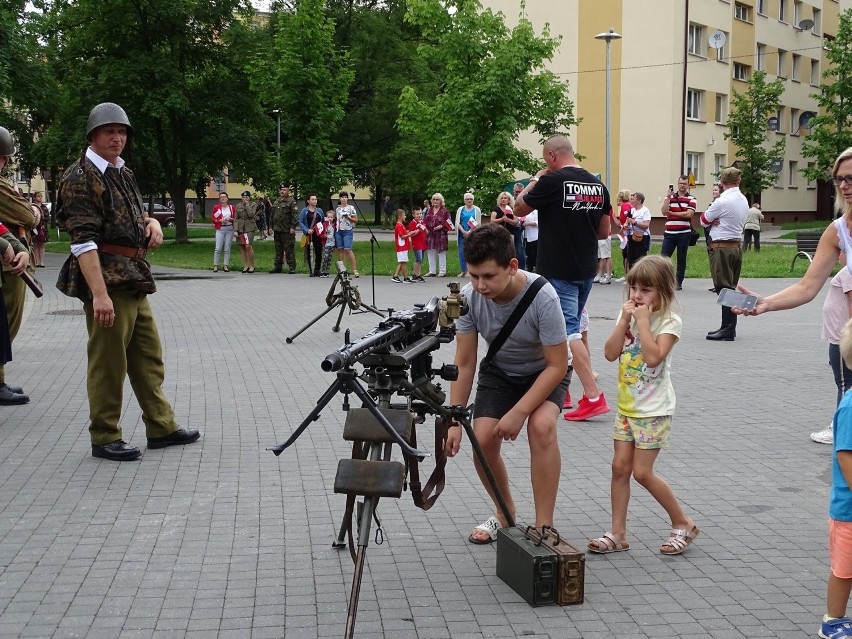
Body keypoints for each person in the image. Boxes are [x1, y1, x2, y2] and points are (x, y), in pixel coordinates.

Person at [54, 102, 200, 461]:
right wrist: (99, 295)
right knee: (108, 363)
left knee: (148, 356)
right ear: (93, 135)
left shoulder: (123, 172)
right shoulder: (80, 176)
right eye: (109, 132)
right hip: (106, 281)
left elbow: (136, 212)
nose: (117, 138)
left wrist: (150, 223)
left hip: (133, 277)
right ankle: (104, 435)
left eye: (121, 132)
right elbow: (83, 241)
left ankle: (161, 426)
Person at [444, 224, 569, 543]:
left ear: (512, 267)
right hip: (500, 372)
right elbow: (465, 361)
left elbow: (557, 365)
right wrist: (455, 418)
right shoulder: (469, 298)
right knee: (482, 439)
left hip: (544, 373)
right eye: (473, 275)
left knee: (541, 427)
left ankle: (544, 525)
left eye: (488, 276)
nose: (479, 285)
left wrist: (519, 412)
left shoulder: (544, 296)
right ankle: (504, 512)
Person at [589, 255, 699, 555]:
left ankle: (683, 522)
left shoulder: (669, 321)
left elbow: (653, 357)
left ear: (663, 292)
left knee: (642, 472)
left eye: (645, 289)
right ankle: (618, 533)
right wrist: (625, 320)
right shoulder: (628, 317)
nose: (636, 295)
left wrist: (641, 323)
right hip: (627, 408)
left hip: (654, 411)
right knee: (619, 468)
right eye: (633, 287)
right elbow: (610, 353)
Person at [515, 134, 611, 422]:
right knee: (567, 327)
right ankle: (562, 390)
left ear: (552, 156)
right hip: (585, 268)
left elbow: (519, 209)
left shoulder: (551, 182)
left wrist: (536, 178)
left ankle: (593, 396)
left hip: (557, 269)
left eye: (545, 160)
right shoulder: (598, 185)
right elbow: (605, 231)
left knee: (567, 332)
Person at [817, 318, 852, 639]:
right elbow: (846, 455)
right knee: (844, 569)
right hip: (849, 511)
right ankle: (834, 620)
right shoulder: (851, 405)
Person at [0, 126, 35, 404]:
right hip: (6, 264)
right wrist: (31, 211)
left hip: (12, 255)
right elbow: (27, 215)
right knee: (5, 324)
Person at [700, 167, 748, 341]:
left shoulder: (721, 201)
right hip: (736, 246)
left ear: (721, 182)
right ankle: (727, 326)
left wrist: (714, 220)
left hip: (722, 248)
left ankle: (728, 328)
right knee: (730, 286)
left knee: (723, 287)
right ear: (738, 181)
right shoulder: (743, 200)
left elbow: (703, 220)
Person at [812, 258, 852, 446]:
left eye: (842, 250)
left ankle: (840, 430)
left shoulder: (850, 271)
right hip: (840, 336)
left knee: (845, 385)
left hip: (842, 338)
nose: (838, 255)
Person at [660, 175, 697, 290]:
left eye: (685, 184)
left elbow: (689, 214)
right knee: (664, 258)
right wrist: (667, 197)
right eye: (681, 183)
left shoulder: (692, 199)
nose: (682, 186)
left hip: (684, 233)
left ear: (688, 185)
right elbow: (663, 212)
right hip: (670, 232)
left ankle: (678, 282)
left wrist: (672, 213)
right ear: (677, 184)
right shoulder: (670, 197)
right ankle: (663, 281)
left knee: (681, 258)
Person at [269, 183, 298, 274]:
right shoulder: (276, 201)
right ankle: (278, 266)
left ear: (288, 191)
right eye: (281, 190)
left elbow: (295, 215)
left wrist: (293, 227)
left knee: (289, 249)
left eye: (284, 190)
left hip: (287, 229)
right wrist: (270, 226)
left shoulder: (291, 202)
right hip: (277, 229)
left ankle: (292, 267)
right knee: (278, 249)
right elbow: (272, 215)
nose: (282, 191)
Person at [424, 193, 451, 277]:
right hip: (430, 234)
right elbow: (424, 221)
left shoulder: (445, 211)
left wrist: (442, 226)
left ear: (441, 201)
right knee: (431, 251)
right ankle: (432, 271)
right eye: (434, 199)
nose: (435, 201)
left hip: (441, 235)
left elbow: (449, 223)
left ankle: (442, 271)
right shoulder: (429, 210)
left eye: (437, 199)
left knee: (441, 252)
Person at [455, 192, 481, 277]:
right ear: (464, 200)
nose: (469, 200)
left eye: (471, 199)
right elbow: (457, 222)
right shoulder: (460, 209)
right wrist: (463, 231)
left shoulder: (476, 209)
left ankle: (470, 271)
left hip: (473, 233)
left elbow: (478, 223)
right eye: (467, 199)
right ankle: (463, 270)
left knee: (471, 252)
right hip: (462, 234)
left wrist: (470, 232)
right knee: (462, 252)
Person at [625, 192, 651, 270]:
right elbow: (628, 222)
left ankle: (641, 278)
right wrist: (626, 225)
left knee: (640, 259)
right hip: (631, 236)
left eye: (633, 199)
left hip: (642, 237)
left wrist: (635, 222)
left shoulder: (645, 210)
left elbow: (646, 225)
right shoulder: (632, 210)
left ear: (639, 201)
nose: (631, 200)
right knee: (631, 258)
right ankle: (632, 278)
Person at [335, 192, 359, 277]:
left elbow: (356, 220)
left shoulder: (351, 208)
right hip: (339, 231)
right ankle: (343, 270)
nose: (344, 199)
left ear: (347, 199)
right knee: (340, 250)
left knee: (348, 250)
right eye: (342, 197)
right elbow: (337, 220)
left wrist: (348, 217)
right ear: (340, 199)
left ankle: (355, 270)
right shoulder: (338, 209)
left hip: (347, 231)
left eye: (345, 197)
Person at [300, 194, 324, 277]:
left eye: (315, 199)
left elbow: (323, 221)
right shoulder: (304, 211)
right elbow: (301, 222)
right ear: (308, 201)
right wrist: (307, 230)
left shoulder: (320, 210)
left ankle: (317, 269)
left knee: (318, 252)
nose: (315, 201)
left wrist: (322, 230)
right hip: (309, 234)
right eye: (313, 199)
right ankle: (311, 270)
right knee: (309, 252)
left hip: (317, 234)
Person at [234, 191, 257, 273]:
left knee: (248, 246)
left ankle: (252, 265)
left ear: (249, 198)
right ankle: (245, 265)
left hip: (249, 227)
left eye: (246, 197)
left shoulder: (253, 204)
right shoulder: (238, 205)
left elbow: (251, 214)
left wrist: (247, 205)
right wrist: (235, 230)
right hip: (241, 228)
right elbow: (236, 218)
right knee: (242, 246)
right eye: (243, 197)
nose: (245, 199)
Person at [211, 192, 234, 273]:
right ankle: (216, 265)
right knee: (218, 248)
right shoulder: (216, 208)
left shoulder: (231, 208)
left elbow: (235, 218)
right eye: (221, 197)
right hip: (220, 229)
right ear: (219, 199)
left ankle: (225, 265)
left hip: (229, 229)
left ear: (227, 198)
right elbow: (213, 219)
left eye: (224, 197)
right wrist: (219, 220)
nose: (223, 198)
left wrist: (230, 219)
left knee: (227, 248)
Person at [594, 205, 615, 284]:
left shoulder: (606, 206)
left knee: (606, 256)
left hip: (605, 234)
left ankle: (608, 276)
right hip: (598, 233)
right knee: (601, 256)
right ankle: (600, 274)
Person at [614, 189, 631, 282]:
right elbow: (620, 223)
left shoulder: (626, 206)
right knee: (624, 254)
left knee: (627, 255)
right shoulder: (623, 206)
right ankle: (626, 275)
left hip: (627, 234)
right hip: (624, 234)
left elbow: (628, 218)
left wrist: (625, 225)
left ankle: (628, 275)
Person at [391, 209, 413, 283]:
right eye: (404, 215)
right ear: (400, 216)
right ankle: (405, 277)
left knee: (401, 262)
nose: (405, 216)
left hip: (403, 246)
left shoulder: (401, 225)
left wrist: (409, 232)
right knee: (403, 262)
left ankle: (396, 276)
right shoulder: (399, 226)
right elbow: (402, 236)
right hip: (401, 247)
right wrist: (410, 234)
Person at [408, 205, 427, 282]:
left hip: (422, 243)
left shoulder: (422, 222)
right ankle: (414, 274)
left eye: (420, 213)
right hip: (416, 243)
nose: (419, 215)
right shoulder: (412, 223)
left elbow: (426, 231)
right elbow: (413, 234)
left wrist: (424, 227)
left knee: (421, 259)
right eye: (417, 214)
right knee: (418, 259)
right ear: (413, 215)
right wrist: (419, 228)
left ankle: (418, 274)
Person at [511, 182, 528, 269]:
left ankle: (523, 268)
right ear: (513, 190)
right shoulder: (510, 201)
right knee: (510, 249)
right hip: (510, 227)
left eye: (520, 191)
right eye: (516, 191)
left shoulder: (525, 200)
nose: (518, 193)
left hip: (521, 228)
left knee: (520, 250)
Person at [31, 192, 48, 268]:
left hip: (42, 227)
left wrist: (43, 224)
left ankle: (42, 262)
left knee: (41, 244)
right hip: (34, 227)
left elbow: (47, 217)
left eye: (41, 196)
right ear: (34, 197)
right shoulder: (32, 206)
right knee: (35, 244)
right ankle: (37, 261)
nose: (40, 198)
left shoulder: (44, 207)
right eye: (38, 196)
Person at [319, 209, 336, 278]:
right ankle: (322, 271)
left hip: (332, 243)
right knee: (325, 257)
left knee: (329, 258)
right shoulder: (324, 224)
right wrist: (324, 236)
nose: (330, 219)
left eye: (331, 217)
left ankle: (327, 271)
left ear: (333, 218)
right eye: (328, 217)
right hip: (325, 243)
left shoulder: (335, 225)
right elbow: (320, 234)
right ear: (326, 217)